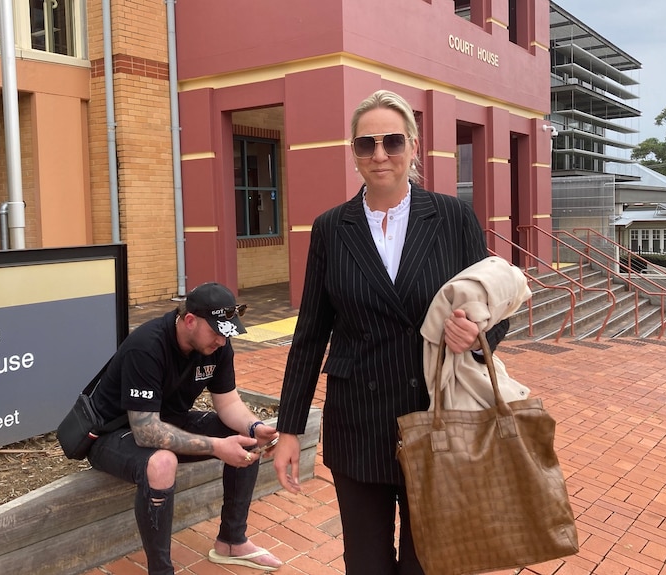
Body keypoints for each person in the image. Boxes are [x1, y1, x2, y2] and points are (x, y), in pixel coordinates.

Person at [272, 90, 509, 574]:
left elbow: (496, 304)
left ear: (414, 147)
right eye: (366, 144)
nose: (379, 155)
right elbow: (311, 333)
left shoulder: (451, 216)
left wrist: (477, 337)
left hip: (435, 415)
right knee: (365, 563)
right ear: (353, 152)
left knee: (428, 562)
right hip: (358, 419)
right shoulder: (331, 228)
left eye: (392, 141)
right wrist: (290, 428)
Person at [88, 282, 283, 574]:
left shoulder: (218, 346)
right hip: (114, 434)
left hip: (169, 421)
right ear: (189, 320)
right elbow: (146, 432)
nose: (221, 341)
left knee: (246, 439)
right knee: (162, 462)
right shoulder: (147, 345)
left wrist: (254, 427)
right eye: (217, 332)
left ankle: (231, 541)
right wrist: (217, 447)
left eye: (226, 333)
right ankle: (161, 570)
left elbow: (228, 402)